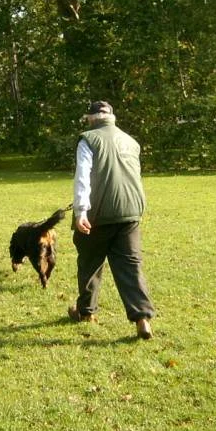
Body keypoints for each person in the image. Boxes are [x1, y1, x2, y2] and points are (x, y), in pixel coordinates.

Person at [69, 101, 155, 339]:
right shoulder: (131, 141)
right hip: (131, 211)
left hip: (99, 213)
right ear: (111, 117)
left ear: (91, 118)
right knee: (130, 266)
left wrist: (81, 211)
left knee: (89, 262)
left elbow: (83, 176)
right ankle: (142, 318)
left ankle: (86, 312)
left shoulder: (88, 139)